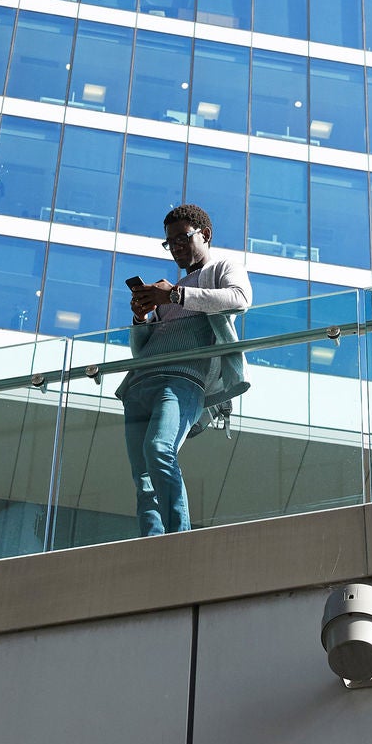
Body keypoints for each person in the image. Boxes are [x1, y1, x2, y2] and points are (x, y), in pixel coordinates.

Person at [119, 204, 252, 536]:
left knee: (159, 449)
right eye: (170, 242)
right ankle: (152, 543)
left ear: (204, 235)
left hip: (183, 380)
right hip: (141, 383)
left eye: (182, 237)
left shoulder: (221, 267)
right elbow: (143, 349)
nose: (175, 246)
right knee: (143, 477)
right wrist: (142, 317)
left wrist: (175, 294)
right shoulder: (169, 291)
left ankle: (179, 538)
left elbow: (239, 298)